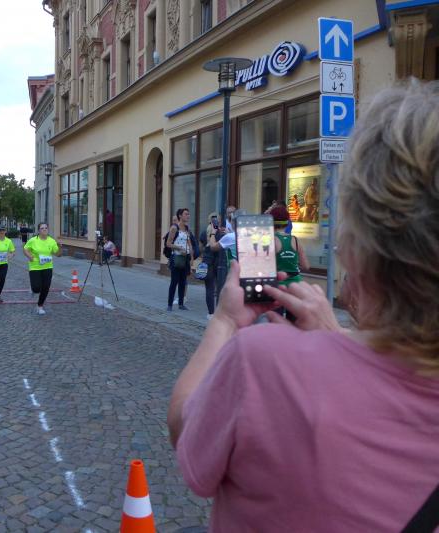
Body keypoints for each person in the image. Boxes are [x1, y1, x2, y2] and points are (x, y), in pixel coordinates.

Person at [168, 81, 439, 532]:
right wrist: (336, 338)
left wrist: (226, 321)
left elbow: (185, 430)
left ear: (358, 247)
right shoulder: (292, 247)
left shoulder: (263, 362)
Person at [269, 205, 310, 322]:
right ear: (287, 222)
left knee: (275, 323)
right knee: (294, 324)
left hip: (278, 287)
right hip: (295, 287)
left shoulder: (271, 240)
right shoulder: (295, 240)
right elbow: (306, 266)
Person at [23, 222, 61, 315]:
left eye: (46, 228)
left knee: (46, 287)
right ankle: (33, 289)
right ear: (38, 230)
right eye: (42, 228)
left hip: (48, 267)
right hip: (35, 267)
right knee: (36, 288)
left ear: (48, 230)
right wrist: (29, 256)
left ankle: (40, 306)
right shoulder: (33, 240)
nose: (44, 229)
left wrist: (60, 247)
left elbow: (58, 254)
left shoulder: (51, 241)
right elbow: (25, 249)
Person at [165, 208, 199, 311]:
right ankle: (169, 305)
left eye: (188, 214)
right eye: (186, 214)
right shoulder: (174, 228)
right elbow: (168, 243)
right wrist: (179, 248)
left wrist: (192, 258)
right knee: (174, 281)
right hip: (176, 258)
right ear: (180, 216)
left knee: (183, 281)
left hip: (185, 259)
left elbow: (189, 244)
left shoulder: (187, 228)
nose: (188, 216)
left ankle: (181, 304)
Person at [199, 212, 221, 319]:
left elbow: (200, 248)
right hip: (219, 261)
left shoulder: (204, 232)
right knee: (220, 287)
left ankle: (211, 313)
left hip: (207, 261)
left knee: (209, 288)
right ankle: (220, 313)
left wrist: (205, 253)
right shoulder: (220, 232)